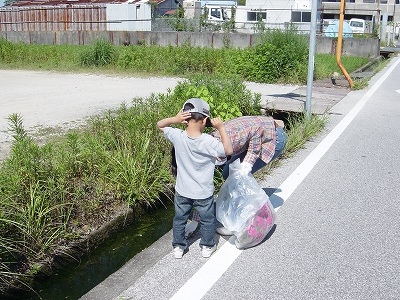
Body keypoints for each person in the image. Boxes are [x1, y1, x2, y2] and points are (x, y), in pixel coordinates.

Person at [184, 115, 287, 237]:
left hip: (271, 139)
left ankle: (237, 225)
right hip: (254, 135)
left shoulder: (227, 141)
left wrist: (247, 165)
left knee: (237, 179)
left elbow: (256, 137)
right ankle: (236, 211)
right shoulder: (209, 144)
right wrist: (195, 221)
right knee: (228, 174)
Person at [157, 98, 233, 259]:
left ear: (185, 119)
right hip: (203, 192)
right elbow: (228, 150)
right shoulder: (209, 142)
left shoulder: (177, 136)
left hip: (182, 190)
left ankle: (178, 247)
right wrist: (221, 128)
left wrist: (174, 119)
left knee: (180, 218)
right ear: (205, 120)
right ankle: (206, 247)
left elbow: (160, 125)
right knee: (207, 220)